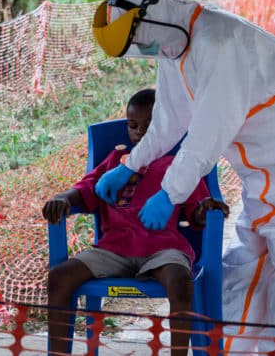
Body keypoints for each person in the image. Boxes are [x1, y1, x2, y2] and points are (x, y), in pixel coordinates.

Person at [91, 0, 275, 353]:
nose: (141, 52)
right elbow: (167, 123)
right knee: (251, 256)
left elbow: (207, 132)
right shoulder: (173, 45)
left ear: (152, 13)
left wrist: (170, 193)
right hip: (264, 162)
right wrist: (129, 165)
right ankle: (229, 349)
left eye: (137, 42)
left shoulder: (219, 39)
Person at [42, 88, 229, 356]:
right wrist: (63, 198)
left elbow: (196, 212)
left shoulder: (179, 165)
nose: (140, 132)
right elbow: (85, 189)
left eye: (150, 125)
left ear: (167, 125)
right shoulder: (116, 163)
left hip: (162, 249)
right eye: (133, 125)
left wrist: (206, 207)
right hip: (113, 249)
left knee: (180, 281)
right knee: (59, 277)